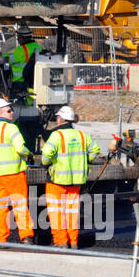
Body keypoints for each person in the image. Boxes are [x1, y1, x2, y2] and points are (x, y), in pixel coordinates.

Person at [40, 105, 100, 247]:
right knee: (72, 213)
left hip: (57, 182)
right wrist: (85, 161)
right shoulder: (82, 135)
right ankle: (73, 242)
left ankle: (61, 242)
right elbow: (95, 150)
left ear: (60, 119)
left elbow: (46, 155)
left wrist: (45, 164)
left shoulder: (56, 136)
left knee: (56, 213)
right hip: (75, 183)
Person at [0, 98, 35, 244]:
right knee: (20, 206)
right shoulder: (11, 128)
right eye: (9, 110)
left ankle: (0, 239)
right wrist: (29, 154)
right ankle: (26, 236)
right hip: (13, 174)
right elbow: (20, 148)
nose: (12, 112)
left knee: (0, 208)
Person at [7, 27, 42, 105]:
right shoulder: (38, 47)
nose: (18, 40)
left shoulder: (21, 49)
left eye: (18, 37)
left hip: (19, 82)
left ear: (23, 38)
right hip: (33, 81)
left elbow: (8, 60)